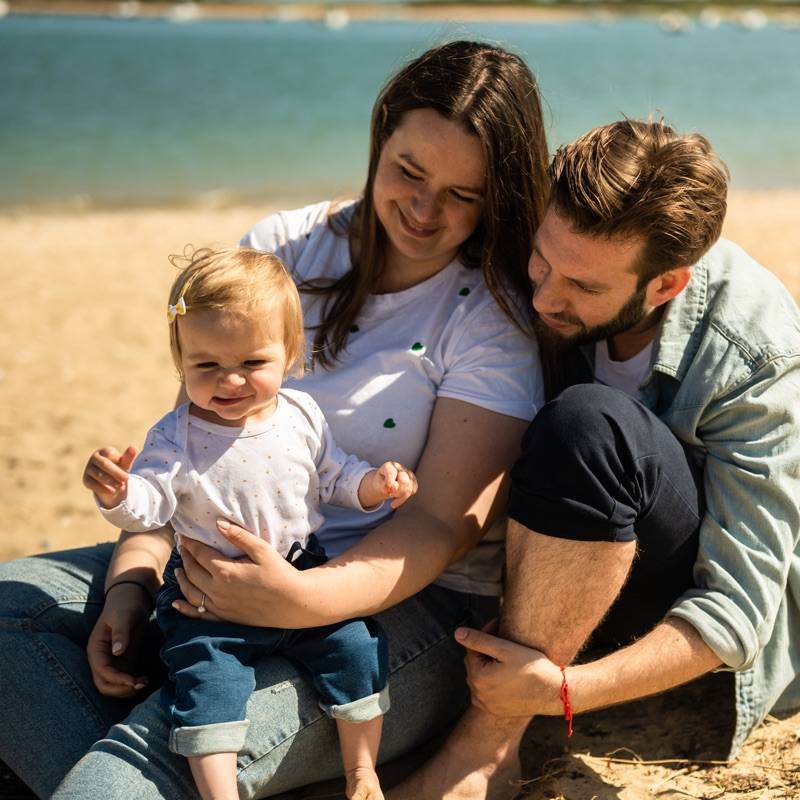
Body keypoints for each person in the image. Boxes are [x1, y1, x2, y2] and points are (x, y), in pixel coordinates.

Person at [0, 40, 550, 799]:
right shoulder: (280, 250)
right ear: (380, 135)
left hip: (394, 610)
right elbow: (190, 450)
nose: (425, 211)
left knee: (128, 774)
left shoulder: (490, 317)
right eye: (409, 172)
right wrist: (133, 583)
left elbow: (438, 525)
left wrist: (295, 599)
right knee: (11, 615)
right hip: (207, 578)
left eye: (463, 194)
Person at [390, 119, 800, 799]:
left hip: (665, 612)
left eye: (582, 286)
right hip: (533, 564)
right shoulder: (555, 250)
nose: (545, 297)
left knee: (588, 423)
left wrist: (558, 691)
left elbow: (735, 612)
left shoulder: (754, 353)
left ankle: (486, 754)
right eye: (541, 260)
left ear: (665, 285)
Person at [82, 246, 421, 800]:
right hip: (209, 596)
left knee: (357, 650)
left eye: (252, 363)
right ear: (180, 360)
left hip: (302, 570)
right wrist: (119, 493)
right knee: (206, 682)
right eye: (206, 366)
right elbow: (150, 505)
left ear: (289, 354)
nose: (231, 381)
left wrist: (375, 487)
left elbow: (334, 476)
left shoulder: (301, 414)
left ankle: (362, 772)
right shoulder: (175, 436)